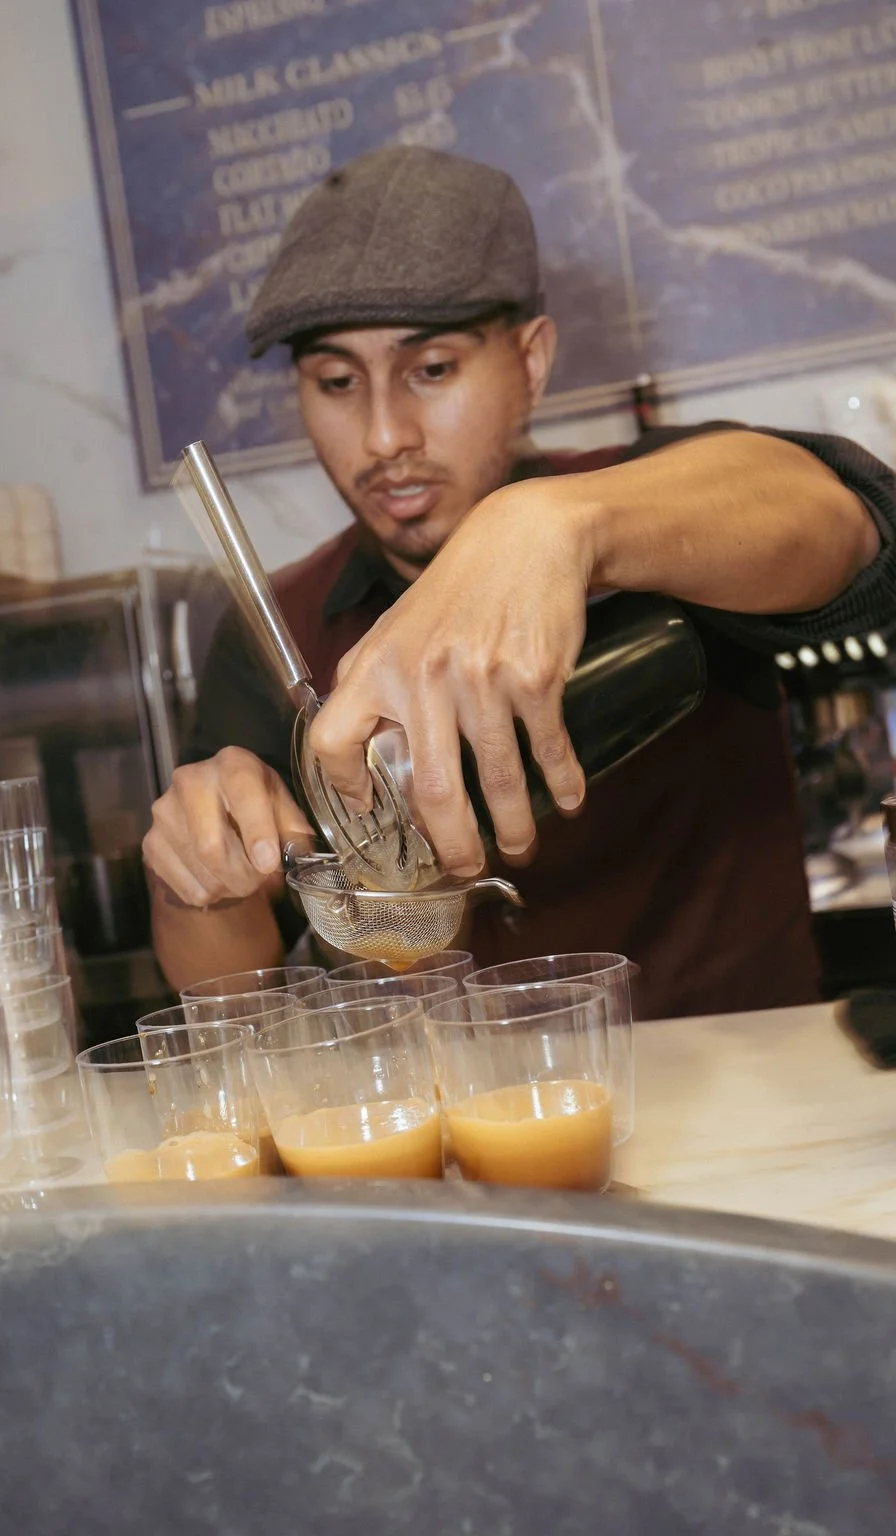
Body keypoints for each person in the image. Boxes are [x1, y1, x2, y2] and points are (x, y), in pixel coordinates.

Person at [143, 146, 896, 1018]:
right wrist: (199, 876)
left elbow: (850, 519)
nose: (385, 435)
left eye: (432, 371)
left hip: (731, 1096)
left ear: (531, 362)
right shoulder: (279, 624)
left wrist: (558, 526)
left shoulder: (654, 504)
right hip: (450, 1117)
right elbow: (222, 990)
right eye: (337, 382)